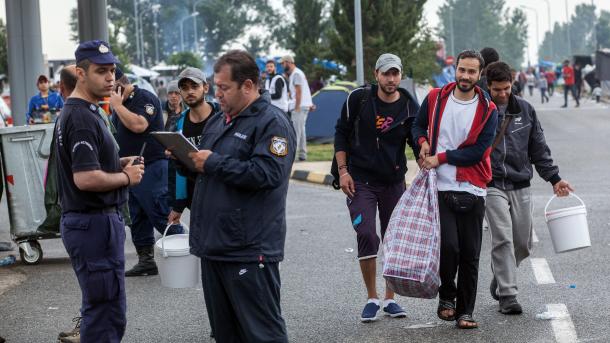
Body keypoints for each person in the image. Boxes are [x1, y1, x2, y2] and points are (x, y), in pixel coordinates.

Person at [181, 50, 295, 342]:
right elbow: (210, 175)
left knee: (262, 334)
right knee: (225, 334)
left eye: (223, 87)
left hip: (248, 247)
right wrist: (185, 160)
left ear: (247, 86)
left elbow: (268, 174)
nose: (216, 93)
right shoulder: (220, 121)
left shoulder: (273, 123)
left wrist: (212, 163)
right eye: (215, 86)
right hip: (215, 246)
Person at [55, 40, 144, 343]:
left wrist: (117, 162)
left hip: (92, 222)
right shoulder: (80, 117)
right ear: (80, 73)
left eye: (112, 71)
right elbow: (85, 178)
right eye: (101, 71)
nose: (110, 78)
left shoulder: (86, 111)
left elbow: (88, 164)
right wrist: (125, 176)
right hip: (93, 223)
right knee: (105, 312)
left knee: (105, 308)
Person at [412, 50, 498, 329]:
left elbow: (477, 152)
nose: (465, 76)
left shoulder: (489, 110)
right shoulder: (436, 98)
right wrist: (422, 141)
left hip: (473, 186)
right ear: (455, 69)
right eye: (462, 70)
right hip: (440, 185)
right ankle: (446, 296)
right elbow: (417, 125)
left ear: (479, 74)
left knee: (470, 253)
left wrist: (442, 157)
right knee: (448, 246)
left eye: (472, 72)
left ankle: (465, 311)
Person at [334, 53, 420, 322]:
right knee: (368, 234)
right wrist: (343, 171)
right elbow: (341, 134)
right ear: (377, 75)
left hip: (393, 182)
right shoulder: (358, 99)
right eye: (386, 74)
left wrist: (426, 160)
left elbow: (416, 141)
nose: (391, 79)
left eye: (395, 74)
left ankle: (390, 299)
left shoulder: (408, 105)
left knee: (393, 238)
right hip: (360, 181)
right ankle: (372, 297)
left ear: (400, 75)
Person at [484, 61, 573, 314]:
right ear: (488, 86)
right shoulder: (482, 109)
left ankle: (502, 274)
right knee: (502, 238)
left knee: (522, 243)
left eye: (506, 88)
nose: (502, 94)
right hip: (491, 183)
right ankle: (508, 295)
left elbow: (538, 149)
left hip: (520, 182)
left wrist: (555, 179)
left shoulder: (525, 110)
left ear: (512, 84)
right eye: (497, 89)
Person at [111, 67, 182, 277]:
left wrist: (116, 105)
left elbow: (139, 125)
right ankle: (146, 260)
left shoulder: (144, 98)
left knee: (160, 212)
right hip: (131, 170)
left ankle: (189, 253)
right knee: (136, 217)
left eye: (111, 90)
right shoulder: (120, 105)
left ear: (119, 85)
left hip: (151, 166)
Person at [166, 67, 219, 226]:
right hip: (195, 200)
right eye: (184, 88)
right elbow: (175, 171)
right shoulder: (178, 125)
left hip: (222, 196)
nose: (189, 92)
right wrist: (177, 206)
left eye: (194, 86)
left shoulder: (222, 118)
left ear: (206, 87)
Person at [281, 55, 313, 161]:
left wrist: (297, 107)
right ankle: (303, 154)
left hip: (299, 106)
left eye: (283, 63)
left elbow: (299, 92)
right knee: (301, 131)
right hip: (303, 105)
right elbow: (300, 91)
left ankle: (292, 157)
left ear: (288, 62)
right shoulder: (297, 73)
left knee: (295, 132)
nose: (282, 65)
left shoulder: (296, 74)